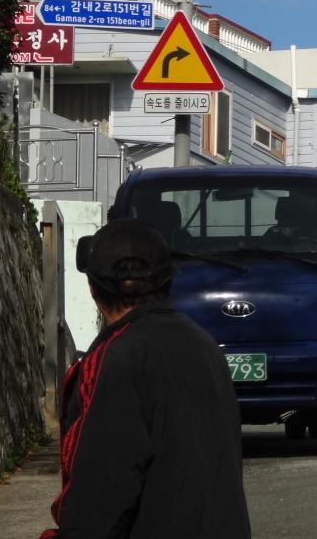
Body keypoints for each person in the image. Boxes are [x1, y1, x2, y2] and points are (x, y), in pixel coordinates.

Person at [41, 220, 251, 539]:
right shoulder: (204, 344)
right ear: (167, 282)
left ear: (93, 288)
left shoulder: (113, 357)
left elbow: (99, 497)